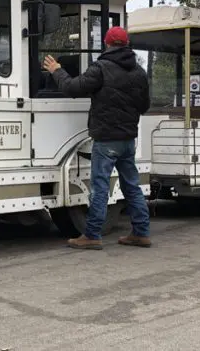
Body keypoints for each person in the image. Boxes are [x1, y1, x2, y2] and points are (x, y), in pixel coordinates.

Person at [42, 25, 152, 250]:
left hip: (106, 138)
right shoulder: (139, 72)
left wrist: (56, 70)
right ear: (127, 44)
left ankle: (92, 235)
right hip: (128, 139)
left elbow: (72, 88)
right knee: (131, 185)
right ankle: (141, 232)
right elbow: (144, 106)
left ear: (107, 43)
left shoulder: (101, 68)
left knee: (100, 186)